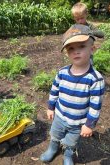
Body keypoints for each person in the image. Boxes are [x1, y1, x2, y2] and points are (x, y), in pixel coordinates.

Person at [40, 24, 105, 165]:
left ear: (92, 49)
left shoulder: (95, 79)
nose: (76, 52)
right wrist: (51, 107)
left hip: (78, 122)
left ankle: (68, 155)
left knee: (71, 141)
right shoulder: (62, 73)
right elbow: (54, 91)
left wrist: (89, 124)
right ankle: (53, 148)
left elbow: (95, 105)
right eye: (71, 49)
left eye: (81, 46)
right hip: (60, 116)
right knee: (55, 135)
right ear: (67, 53)